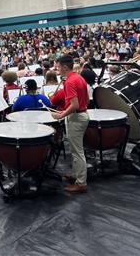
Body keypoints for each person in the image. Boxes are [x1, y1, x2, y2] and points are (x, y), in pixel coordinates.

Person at [52, 54, 89, 194]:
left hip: (76, 117)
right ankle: (77, 176)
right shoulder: (79, 77)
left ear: (65, 67)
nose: (57, 69)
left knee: (77, 152)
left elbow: (74, 105)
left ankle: (81, 183)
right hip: (82, 115)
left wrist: (60, 115)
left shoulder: (69, 82)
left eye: (59, 67)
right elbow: (85, 100)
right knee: (76, 150)